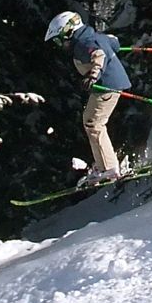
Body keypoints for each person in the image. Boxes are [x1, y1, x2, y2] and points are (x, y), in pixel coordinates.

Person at [44, 11, 131, 184]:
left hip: (106, 86)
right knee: (90, 120)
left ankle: (110, 168)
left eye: (60, 38)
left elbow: (99, 55)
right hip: (111, 85)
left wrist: (93, 75)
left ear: (68, 30)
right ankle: (103, 164)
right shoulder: (92, 36)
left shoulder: (83, 43)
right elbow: (113, 43)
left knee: (94, 123)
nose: (61, 44)